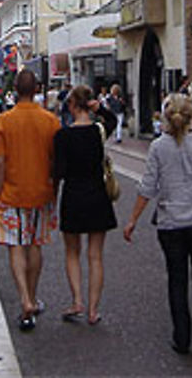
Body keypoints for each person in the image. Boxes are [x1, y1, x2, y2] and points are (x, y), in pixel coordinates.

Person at [123, 94, 192, 355]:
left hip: (171, 222)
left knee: (177, 278)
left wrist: (132, 220)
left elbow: (148, 186)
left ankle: (181, 336)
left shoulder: (159, 147)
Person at [0, 69, 61, 331]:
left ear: (15, 89)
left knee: (15, 246)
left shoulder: (3, 122)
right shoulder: (50, 121)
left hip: (11, 193)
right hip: (42, 191)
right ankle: (33, 294)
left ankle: (24, 298)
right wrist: (54, 188)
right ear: (37, 89)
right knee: (35, 245)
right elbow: (55, 160)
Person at [53, 85, 117, 325]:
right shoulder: (98, 131)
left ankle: (77, 300)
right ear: (87, 104)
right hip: (98, 196)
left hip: (72, 196)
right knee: (96, 256)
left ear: (71, 106)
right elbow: (111, 119)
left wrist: (51, 199)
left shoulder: (62, 136)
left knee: (72, 251)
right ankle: (93, 309)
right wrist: (99, 108)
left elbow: (58, 173)